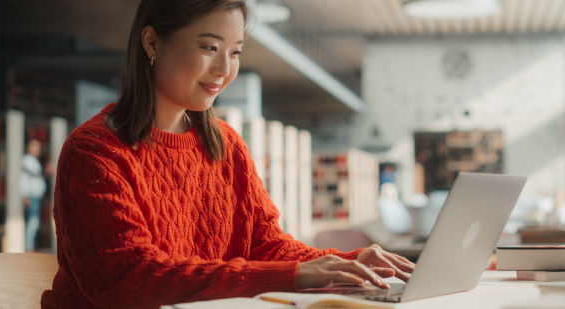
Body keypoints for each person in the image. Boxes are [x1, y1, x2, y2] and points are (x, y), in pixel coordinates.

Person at [41, 1, 414, 307]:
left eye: (235, 52)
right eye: (209, 47)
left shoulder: (226, 144)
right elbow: (132, 280)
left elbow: (265, 245)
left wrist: (349, 263)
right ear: (152, 42)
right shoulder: (94, 151)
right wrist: (297, 274)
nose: (224, 69)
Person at [19, 139, 46, 252]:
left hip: (34, 197)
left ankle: (29, 246)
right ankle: (28, 247)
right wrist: (25, 195)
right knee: (33, 222)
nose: (37, 150)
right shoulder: (26, 160)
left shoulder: (33, 161)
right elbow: (24, 178)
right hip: (31, 197)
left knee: (34, 222)